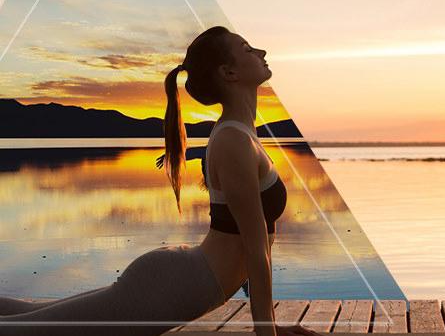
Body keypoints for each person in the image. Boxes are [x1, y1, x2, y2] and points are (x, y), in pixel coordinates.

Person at [0, 26, 322, 336]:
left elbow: (258, 244)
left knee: (28, 316)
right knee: (25, 329)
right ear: (229, 73)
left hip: (181, 278)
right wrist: (266, 331)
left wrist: (268, 324)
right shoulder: (234, 141)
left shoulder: (241, 135)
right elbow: (254, 247)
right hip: (174, 286)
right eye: (248, 49)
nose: (262, 52)